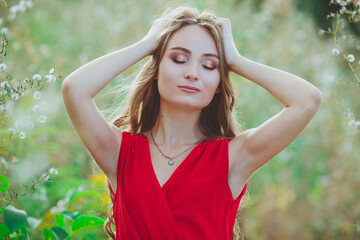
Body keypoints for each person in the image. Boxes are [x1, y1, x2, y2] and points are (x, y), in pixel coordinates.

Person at [61, 6, 322, 240]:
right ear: (157, 70)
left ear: (219, 85)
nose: (192, 73)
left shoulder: (233, 158)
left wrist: (235, 61)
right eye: (178, 59)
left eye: (209, 66)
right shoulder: (119, 152)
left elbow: (307, 100)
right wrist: (149, 43)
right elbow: (74, 89)